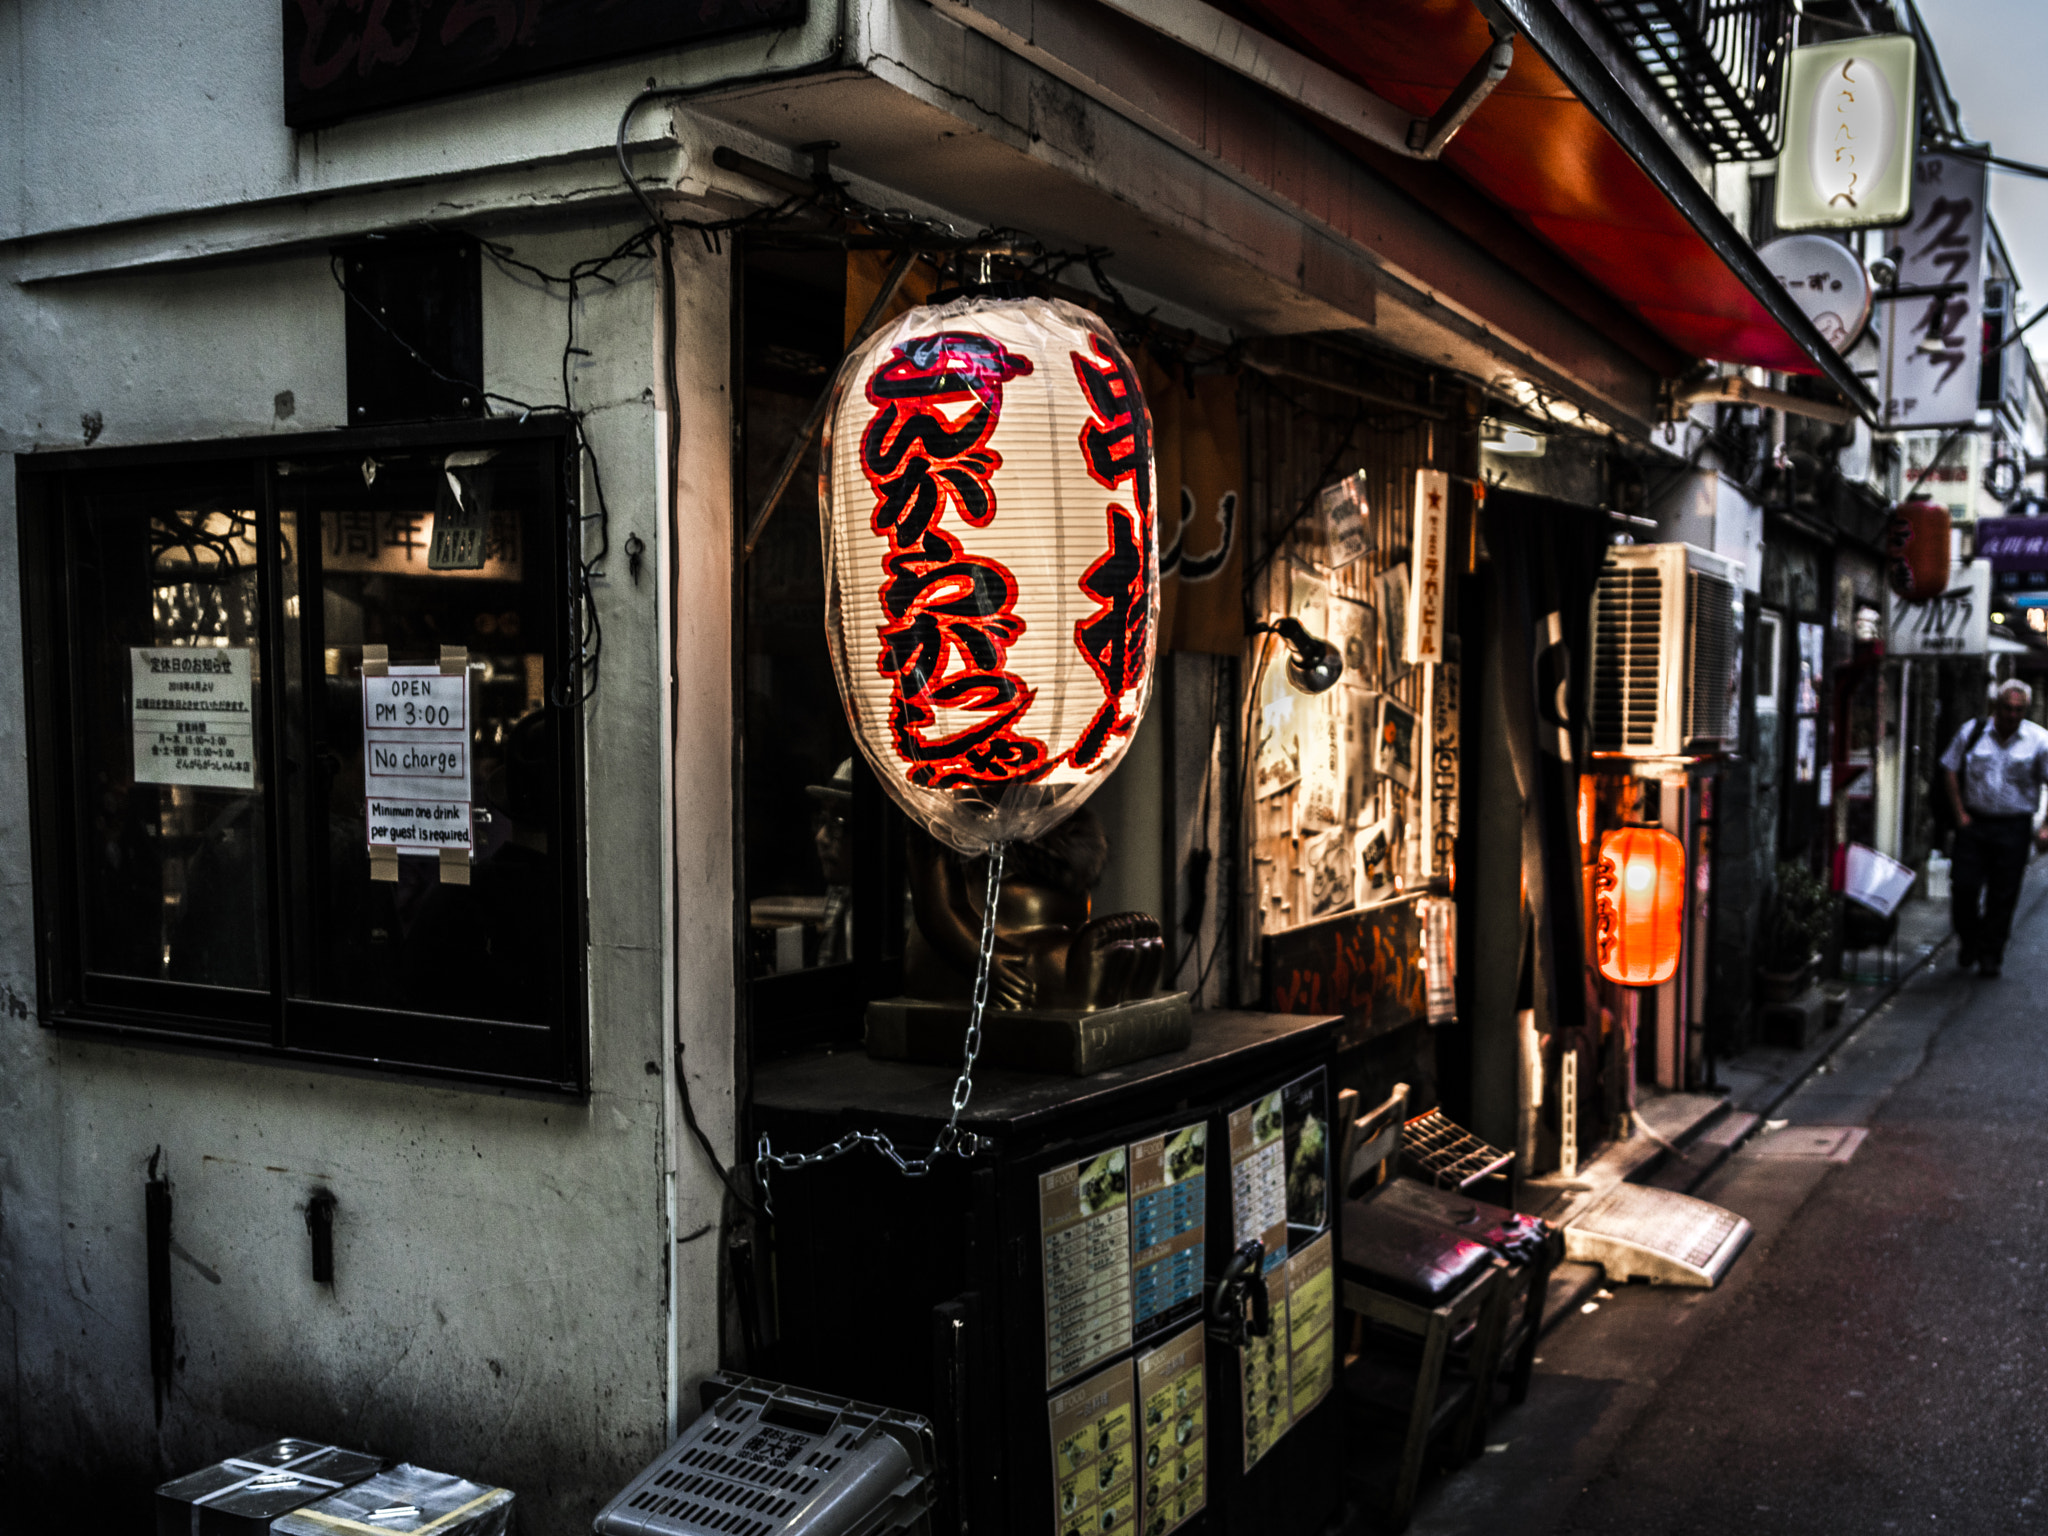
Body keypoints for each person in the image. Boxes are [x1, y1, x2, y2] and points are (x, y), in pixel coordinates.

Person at [1941, 678, 2048, 978]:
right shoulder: (1973, 732)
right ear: (1996, 706)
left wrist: (2045, 828)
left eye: (2019, 710)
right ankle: (1970, 939)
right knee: (1964, 886)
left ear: (2025, 710)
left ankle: (1991, 954)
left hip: (2014, 826)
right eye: (2007, 708)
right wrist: (1959, 812)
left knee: (2003, 894)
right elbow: (1949, 767)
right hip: (1975, 823)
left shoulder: (2039, 740)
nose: (2012, 715)